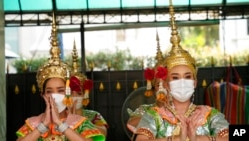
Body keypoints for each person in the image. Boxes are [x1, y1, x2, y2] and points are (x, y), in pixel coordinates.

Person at [132, 1, 229, 141]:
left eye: (187, 76)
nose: (182, 82)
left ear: (195, 82)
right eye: (175, 78)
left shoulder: (208, 113)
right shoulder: (154, 116)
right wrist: (176, 139)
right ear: (166, 84)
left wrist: (199, 138)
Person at [15, 15, 105, 141]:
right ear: (43, 95)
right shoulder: (33, 123)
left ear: (68, 94)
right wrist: (43, 125)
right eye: (49, 91)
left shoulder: (81, 123)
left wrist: (61, 124)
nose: (55, 96)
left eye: (61, 90)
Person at [126, 32, 169, 134]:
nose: (162, 88)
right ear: (153, 90)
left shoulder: (182, 109)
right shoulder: (145, 109)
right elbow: (131, 124)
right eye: (158, 85)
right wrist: (158, 111)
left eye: (165, 83)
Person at [69, 40, 108, 137]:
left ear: (84, 95)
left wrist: (80, 120)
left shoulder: (94, 116)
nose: (75, 97)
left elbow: (103, 134)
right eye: (71, 93)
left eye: (79, 93)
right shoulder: (59, 116)